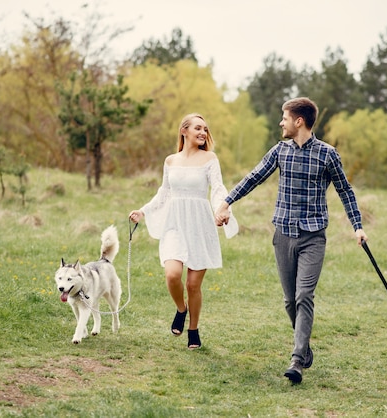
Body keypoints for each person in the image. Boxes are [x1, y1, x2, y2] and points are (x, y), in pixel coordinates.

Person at [215, 97, 368, 383]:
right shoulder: (280, 151)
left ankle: (297, 359)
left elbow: (345, 191)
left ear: (299, 121)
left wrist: (357, 226)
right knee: (289, 300)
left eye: (284, 118)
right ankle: (305, 347)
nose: (281, 123)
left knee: (303, 296)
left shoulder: (327, 154)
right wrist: (226, 202)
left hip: (313, 237)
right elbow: (254, 177)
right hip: (283, 234)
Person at [129, 113, 237, 350]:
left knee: (193, 286)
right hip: (175, 223)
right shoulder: (170, 161)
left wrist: (223, 209)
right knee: (172, 274)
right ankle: (181, 309)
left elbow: (218, 188)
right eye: (198, 128)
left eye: (205, 129)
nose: (203, 133)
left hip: (200, 225)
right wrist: (143, 211)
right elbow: (164, 192)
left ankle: (193, 328)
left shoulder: (210, 158)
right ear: (184, 131)